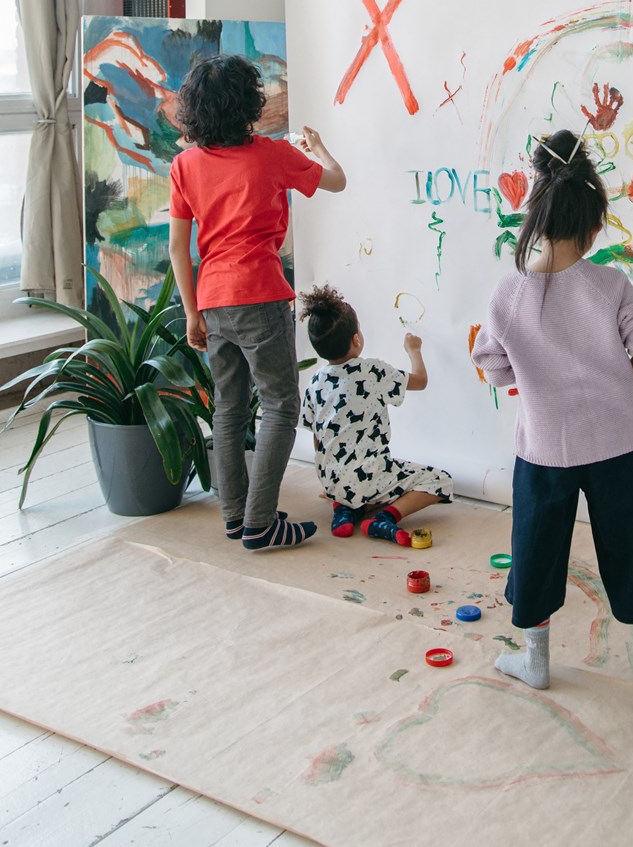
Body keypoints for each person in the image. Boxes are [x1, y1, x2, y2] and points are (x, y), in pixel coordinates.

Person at [471, 128, 633, 695]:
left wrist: (535, 377)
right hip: (614, 443)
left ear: (537, 215)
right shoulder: (610, 284)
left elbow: (495, 368)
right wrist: (608, 372)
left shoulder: (507, 293)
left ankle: (535, 663)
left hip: (544, 448)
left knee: (534, 553)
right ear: (590, 224)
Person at [168, 54, 346, 550]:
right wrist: (318, 148)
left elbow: (178, 249)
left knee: (228, 410)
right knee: (281, 406)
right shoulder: (271, 155)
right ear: (249, 104)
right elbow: (337, 180)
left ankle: (236, 516)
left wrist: (191, 311)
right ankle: (261, 523)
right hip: (261, 296)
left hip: (212, 300)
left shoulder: (184, 165)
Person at [299, 285, 453, 544]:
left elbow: (318, 440)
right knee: (441, 480)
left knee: (351, 478)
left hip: (331, 480)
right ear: (356, 340)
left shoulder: (315, 381)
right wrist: (413, 350)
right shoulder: (372, 372)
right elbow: (420, 380)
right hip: (372, 475)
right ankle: (385, 518)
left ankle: (344, 509)